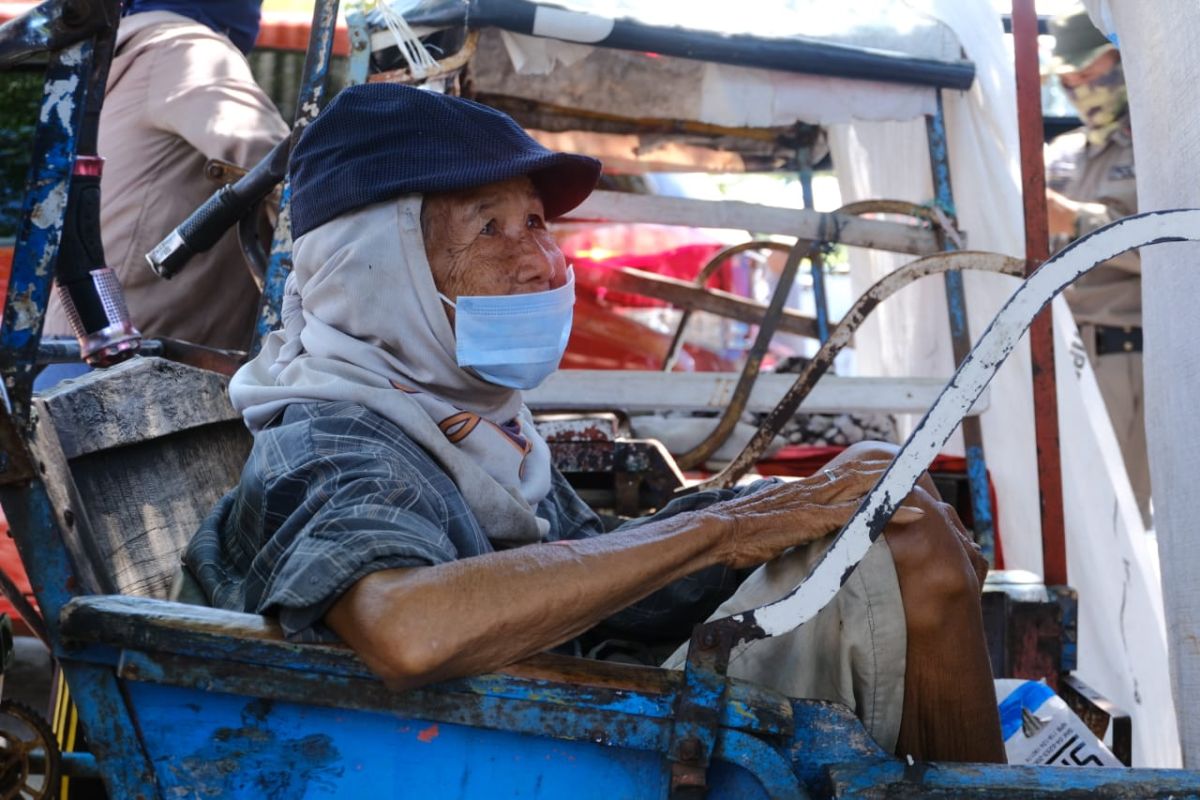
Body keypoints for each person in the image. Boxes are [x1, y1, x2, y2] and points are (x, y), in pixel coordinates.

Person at [183, 83, 1004, 763]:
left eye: (536, 222)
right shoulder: (334, 440)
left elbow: (610, 592)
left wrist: (774, 511)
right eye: (489, 226)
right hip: (522, 758)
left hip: (552, 729)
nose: (540, 260)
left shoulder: (478, 431)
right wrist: (727, 529)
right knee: (908, 551)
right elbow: (407, 628)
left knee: (880, 490)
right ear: (378, 269)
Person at [42, 0, 289, 358]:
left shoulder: (114, 62)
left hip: (80, 350)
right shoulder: (186, 50)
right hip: (134, 369)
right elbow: (282, 165)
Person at [1045, 8, 1149, 525]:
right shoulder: (1063, 154)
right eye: (1069, 81)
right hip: (1064, 351)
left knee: (1126, 517)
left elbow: (1160, 250)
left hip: (1127, 354)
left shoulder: (1159, 146)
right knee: (1075, 516)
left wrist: (1070, 218)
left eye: (1090, 73)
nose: (1081, 89)